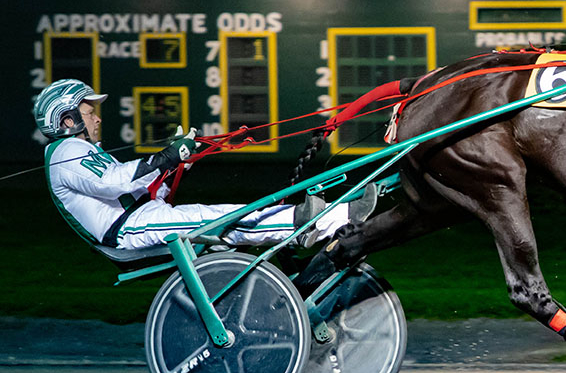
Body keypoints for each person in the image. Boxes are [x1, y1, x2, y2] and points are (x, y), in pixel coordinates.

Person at [34, 79, 374, 251]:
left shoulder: (78, 152)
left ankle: (328, 219)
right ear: (66, 120)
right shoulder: (65, 154)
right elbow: (115, 183)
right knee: (222, 219)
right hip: (127, 231)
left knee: (229, 214)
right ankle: (320, 222)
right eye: (89, 112)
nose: (96, 119)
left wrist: (178, 164)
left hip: (142, 218)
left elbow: (142, 190)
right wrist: (167, 156)